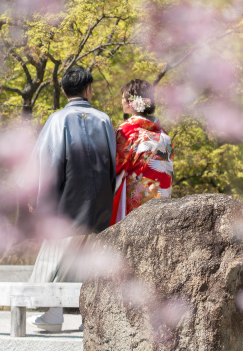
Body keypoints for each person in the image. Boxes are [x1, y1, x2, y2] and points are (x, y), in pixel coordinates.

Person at [28, 65, 116, 332]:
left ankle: (53, 312)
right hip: (100, 201)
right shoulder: (104, 120)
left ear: (64, 91)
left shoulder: (58, 119)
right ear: (88, 90)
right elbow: (113, 161)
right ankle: (88, 319)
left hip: (68, 198)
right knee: (85, 258)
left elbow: (47, 160)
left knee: (54, 256)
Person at [110, 79, 174, 226]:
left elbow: (115, 165)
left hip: (137, 199)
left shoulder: (127, 130)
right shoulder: (163, 133)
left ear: (131, 102)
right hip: (162, 197)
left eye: (123, 97)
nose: (122, 101)